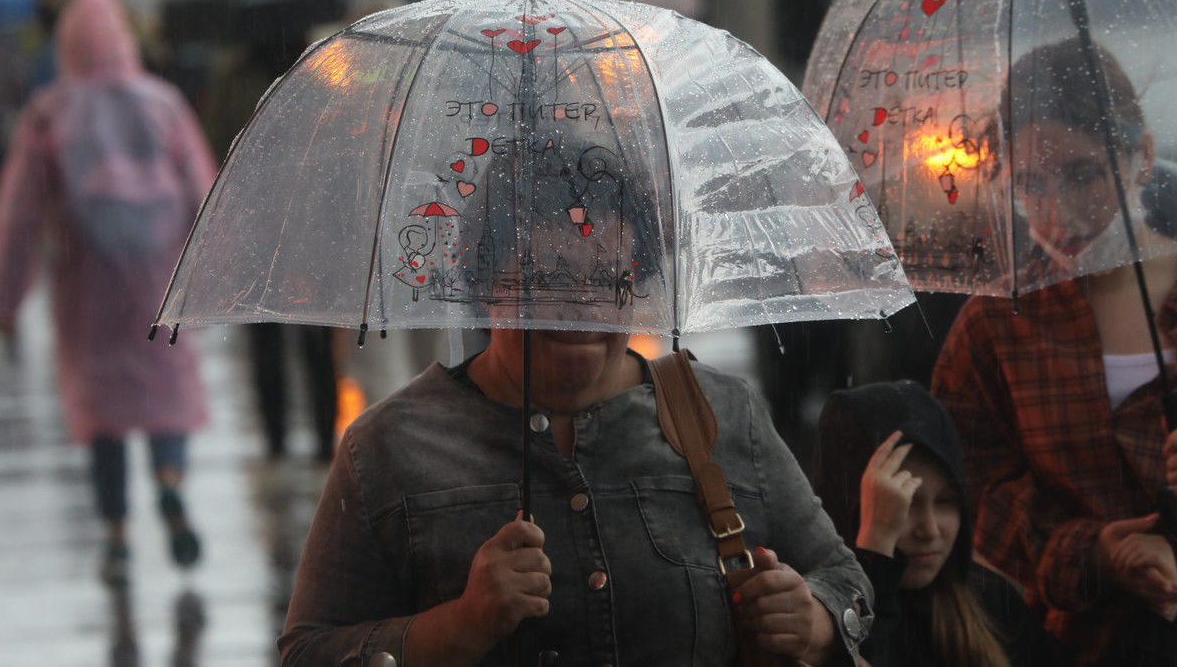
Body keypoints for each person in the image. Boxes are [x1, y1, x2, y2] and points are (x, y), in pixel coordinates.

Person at [278, 140, 873, 666]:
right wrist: (460, 627)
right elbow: (309, 652)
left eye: (609, 278)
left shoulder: (721, 414)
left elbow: (845, 580)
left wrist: (813, 620)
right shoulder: (387, 447)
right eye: (548, 278)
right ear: (485, 281)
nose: (582, 308)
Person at [931, 37, 1177, 664]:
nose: (1059, 213)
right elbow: (965, 494)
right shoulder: (997, 326)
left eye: (1082, 174)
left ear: (1142, 156)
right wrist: (1095, 552)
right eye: (1030, 184)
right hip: (1073, 647)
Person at [0, 0, 218, 584]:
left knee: (101, 409)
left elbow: (19, 215)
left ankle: (115, 534)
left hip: (84, 281)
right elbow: (203, 189)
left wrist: (5, 299)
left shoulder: (49, 112)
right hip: (159, 274)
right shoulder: (162, 102)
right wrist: (219, 268)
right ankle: (169, 482)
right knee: (166, 392)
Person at [812, 380, 1069, 667]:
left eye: (946, 501)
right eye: (903, 503)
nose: (930, 530)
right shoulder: (817, 621)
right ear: (848, 507)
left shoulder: (990, 602)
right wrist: (875, 558)